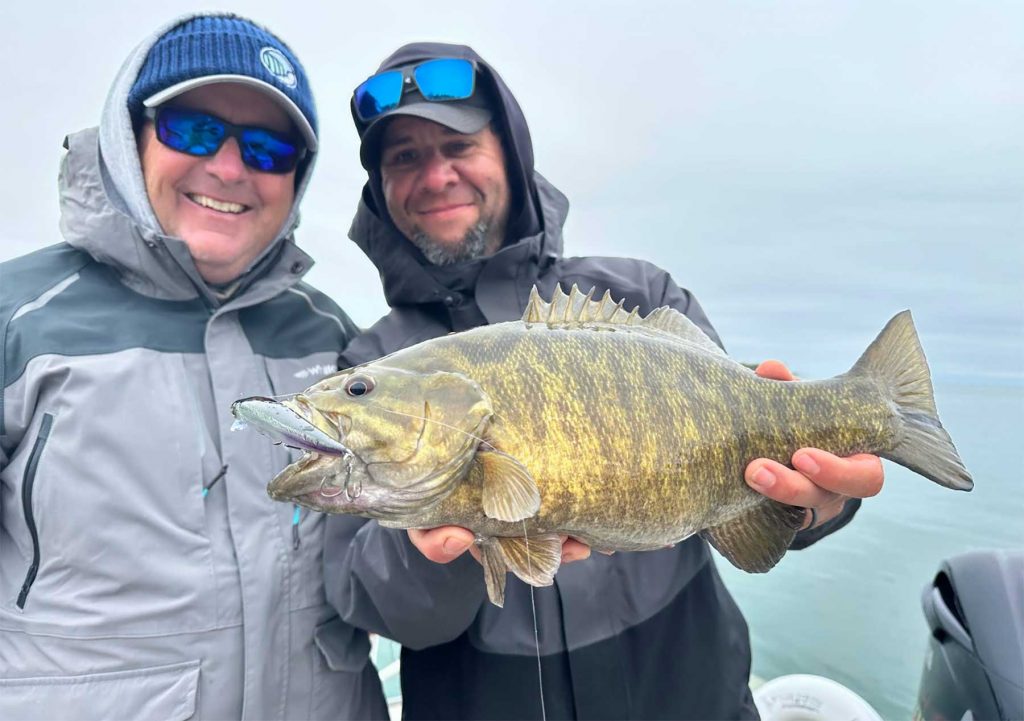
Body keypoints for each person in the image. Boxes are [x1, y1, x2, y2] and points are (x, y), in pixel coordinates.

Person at [325, 43, 885, 719]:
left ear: (510, 152)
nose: (436, 174)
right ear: (380, 191)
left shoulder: (641, 299)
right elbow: (372, 600)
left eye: (456, 145)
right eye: (404, 157)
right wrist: (434, 533)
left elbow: (759, 474)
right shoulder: (368, 367)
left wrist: (812, 500)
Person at [0, 13, 388, 721]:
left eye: (270, 149)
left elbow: (385, 570)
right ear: (130, 135)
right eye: (193, 130)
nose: (230, 168)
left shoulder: (337, 341)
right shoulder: (16, 320)